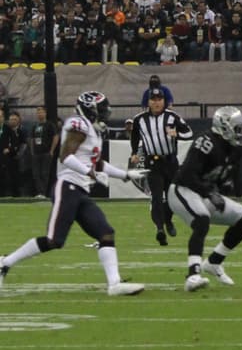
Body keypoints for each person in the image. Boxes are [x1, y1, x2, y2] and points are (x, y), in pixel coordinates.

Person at [0, 92, 147, 296]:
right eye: (101, 109)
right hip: (67, 187)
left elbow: (96, 163)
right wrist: (90, 173)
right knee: (54, 240)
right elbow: (65, 156)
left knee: (105, 233)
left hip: (80, 191)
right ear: (90, 109)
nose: (105, 112)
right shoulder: (79, 124)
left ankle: (114, 284)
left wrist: (125, 175)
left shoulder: (93, 130)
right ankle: (4, 263)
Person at [168, 106, 242, 291]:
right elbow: (187, 175)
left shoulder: (235, 148)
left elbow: (227, 175)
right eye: (237, 128)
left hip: (204, 193)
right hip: (182, 190)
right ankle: (193, 276)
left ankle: (214, 262)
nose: (241, 132)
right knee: (201, 220)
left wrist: (224, 190)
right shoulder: (206, 142)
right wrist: (210, 193)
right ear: (224, 127)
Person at [129, 88, 191, 245]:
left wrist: (176, 134)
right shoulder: (139, 119)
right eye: (153, 100)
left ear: (164, 101)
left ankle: (168, 220)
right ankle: (160, 229)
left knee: (172, 198)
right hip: (152, 163)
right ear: (148, 102)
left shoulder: (172, 117)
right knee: (156, 197)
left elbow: (189, 133)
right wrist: (134, 152)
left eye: (159, 99)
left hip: (170, 162)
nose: (156, 103)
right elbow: (134, 135)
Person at [28, 106, 59, 198]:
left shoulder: (50, 125)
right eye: (38, 113)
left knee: (44, 173)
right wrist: (32, 151)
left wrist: (52, 150)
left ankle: (43, 192)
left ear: (45, 113)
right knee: (36, 174)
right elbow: (31, 138)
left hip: (46, 152)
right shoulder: (35, 126)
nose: (39, 114)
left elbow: (56, 137)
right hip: (36, 153)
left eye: (41, 112)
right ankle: (39, 192)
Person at [0, 111, 25, 197]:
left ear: (3, 118)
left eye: (0, 116)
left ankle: (8, 194)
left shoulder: (8, 129)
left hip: (5, 157)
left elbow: (15, 142)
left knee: (6, 175)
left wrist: (9, 149)